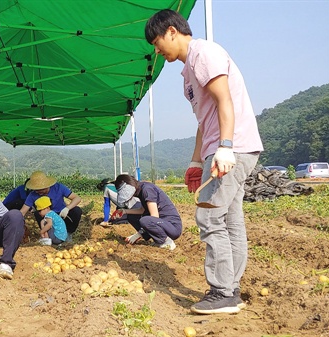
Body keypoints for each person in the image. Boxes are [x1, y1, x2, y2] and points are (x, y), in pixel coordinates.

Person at [145, 9, 263, 314]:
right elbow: (203, 120)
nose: (156, 50)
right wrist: (196, 161)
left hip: (231, 147)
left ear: (172, 31)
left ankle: (223, 292)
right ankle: (230, 288)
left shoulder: (204, 53)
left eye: (157, 42)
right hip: (221, 147)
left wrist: (225, 146)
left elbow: (225, 99)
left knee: (209, 218)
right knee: (229, 219)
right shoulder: (188, 71)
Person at [113, 174, 181, 251]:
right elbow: (142, 210)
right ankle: (158, 239)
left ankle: (167, 241)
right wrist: (125, 211)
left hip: (172, 227)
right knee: (131, 216)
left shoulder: (147, 190)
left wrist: (139, 234)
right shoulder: (141, 189)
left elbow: (154, 216)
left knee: (145, 220)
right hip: (162, 224)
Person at [20, 171, 82, 241]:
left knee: (77, 211)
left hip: (61, 214)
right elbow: (23, 211)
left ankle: (68, 234)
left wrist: (67, 208)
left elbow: (77, 198)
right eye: (36, 190)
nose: (37, 192)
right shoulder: (32, 195)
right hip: (47, 218)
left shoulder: (59, 188)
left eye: (40, 190)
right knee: (38, 213)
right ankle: (47, 236)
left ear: (47, 186)